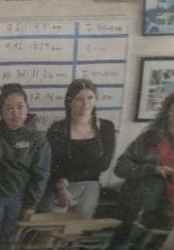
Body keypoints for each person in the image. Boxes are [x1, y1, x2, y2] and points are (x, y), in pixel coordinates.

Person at [113, 87, 174, 248]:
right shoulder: (148, 138)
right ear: (169, 107)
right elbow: (121, 168)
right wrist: (153, 169)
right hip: (139, 210)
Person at [0, 83, 51, 250]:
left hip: (19, 200)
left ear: (27, 108)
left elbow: (41, 176)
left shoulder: (39, 141)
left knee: (8, 245)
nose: (15, 112)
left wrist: (31, 205)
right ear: (0, 112)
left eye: (20, 106)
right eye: (9, 108)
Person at [39, 79, 116, 218]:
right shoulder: (56, 128)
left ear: (96, 99)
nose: (86, 103)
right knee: (49, 223)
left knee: (79, 222)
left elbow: (103, 164)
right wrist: (61, 187)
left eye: (90, 97)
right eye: (79, 99)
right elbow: (48, 164)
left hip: (89, 183)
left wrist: (68, 180)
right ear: (70, 102)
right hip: (57, 184)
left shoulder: (107, 127)